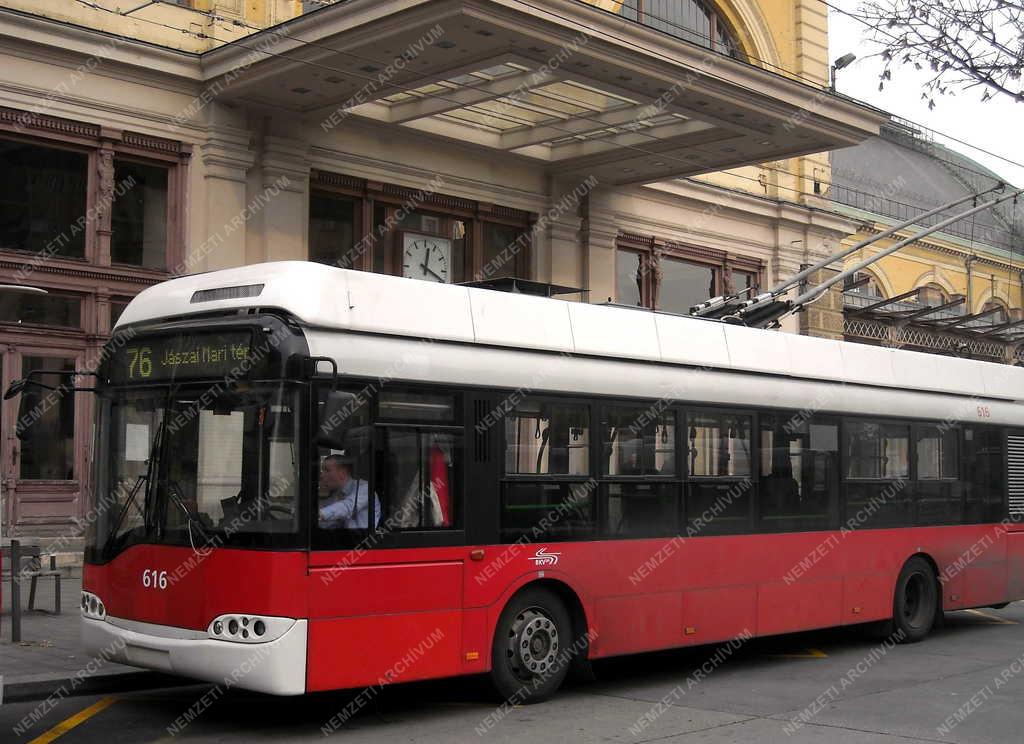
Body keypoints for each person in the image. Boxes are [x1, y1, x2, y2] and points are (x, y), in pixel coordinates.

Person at [318, 455, 381, 529]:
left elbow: (347, 507)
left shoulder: (364, 488)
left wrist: (320, 514)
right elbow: (328, 523)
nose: (322, 475)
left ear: (343, 473)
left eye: (327, 470)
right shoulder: (336, 494)